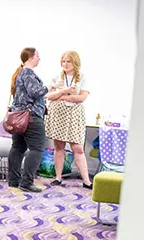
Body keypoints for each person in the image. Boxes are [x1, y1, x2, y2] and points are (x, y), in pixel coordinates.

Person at [44, 50, 93, 188]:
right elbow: (48, 96)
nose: (65, 64)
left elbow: (81, 97)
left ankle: (86, 181)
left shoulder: (82, 77)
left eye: (68, 61)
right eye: (63, 61)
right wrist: (65, 92)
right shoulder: (57, 77)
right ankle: (58, 177)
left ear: (75, 62)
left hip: (74, 115)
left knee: (78, 148)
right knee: (58, 146)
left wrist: (61, 96)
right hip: (58, 114)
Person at [7, 47, 48, 193]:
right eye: (38, 56)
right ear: (30, 57)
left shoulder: (20, 73)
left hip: (18, 116)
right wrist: (49, 87)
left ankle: (14, 180)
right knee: (37, 148)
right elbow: (35, 92)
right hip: (30, 117)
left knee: (18, 147)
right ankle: (26, 182)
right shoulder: (28, 73)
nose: (39, 59)